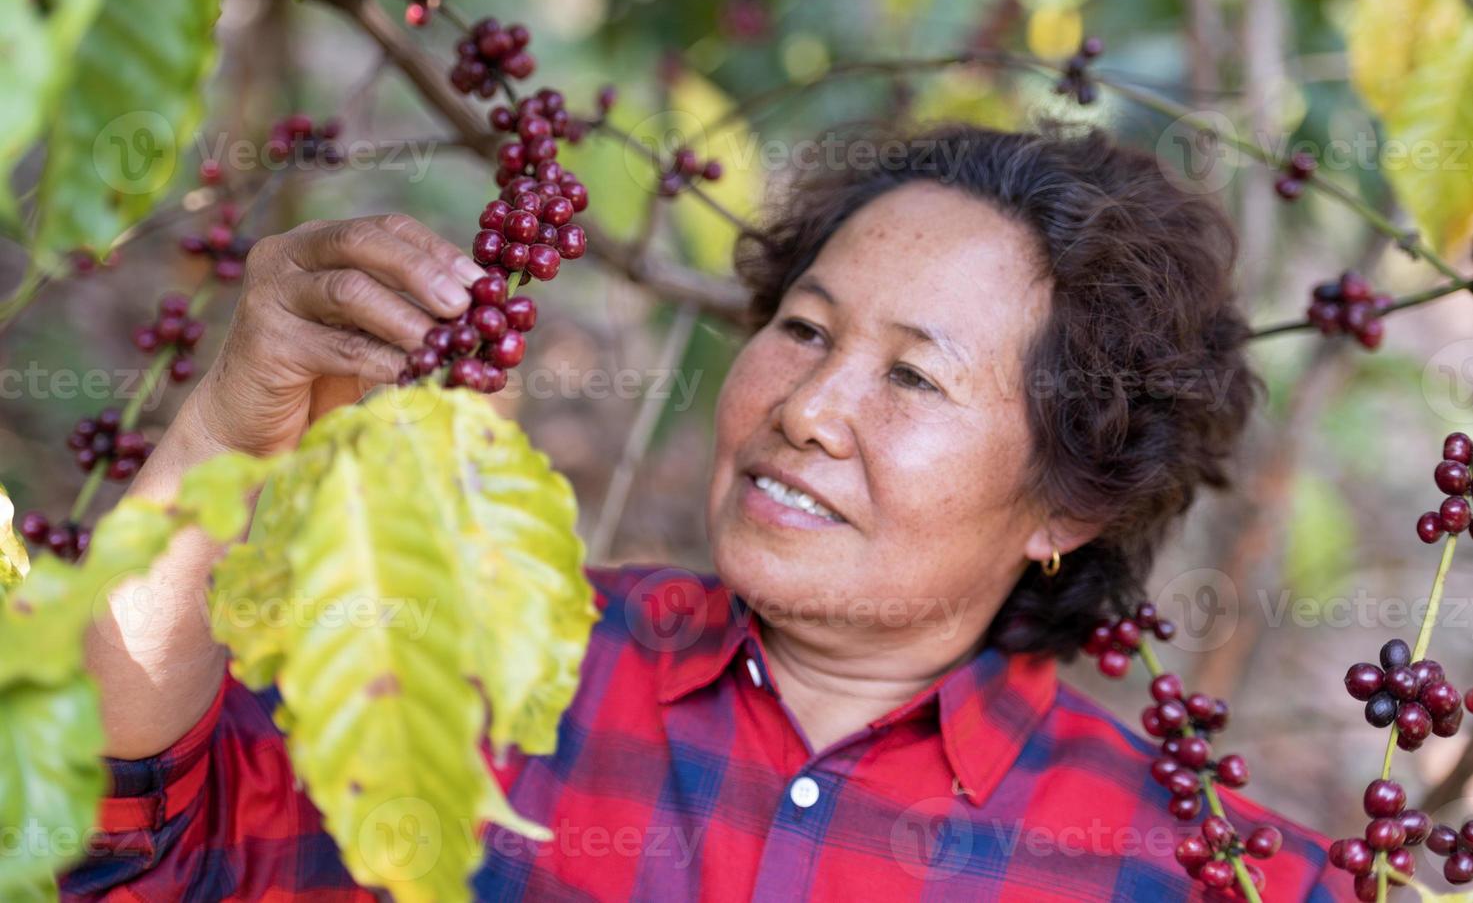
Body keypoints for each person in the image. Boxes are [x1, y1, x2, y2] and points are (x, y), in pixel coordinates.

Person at [62, 125, 1351, 901]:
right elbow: (116, 845)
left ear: (1067, 503)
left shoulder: (1198, 868)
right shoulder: (482, 656)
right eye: (802, 329)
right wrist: (227, 429)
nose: (809, 406)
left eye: (910, 375)